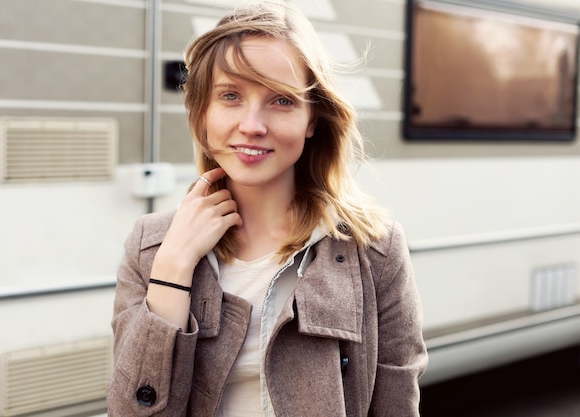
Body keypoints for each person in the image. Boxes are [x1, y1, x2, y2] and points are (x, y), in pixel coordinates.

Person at [106, 1, 427, 416]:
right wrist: (172, 269)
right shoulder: (150, 247)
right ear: (202, 114)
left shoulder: (376, 251)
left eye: (282, 101)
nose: (253, 125)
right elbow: (129, 410)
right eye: (231, 96)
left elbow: (396, 405)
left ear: (313, 120)